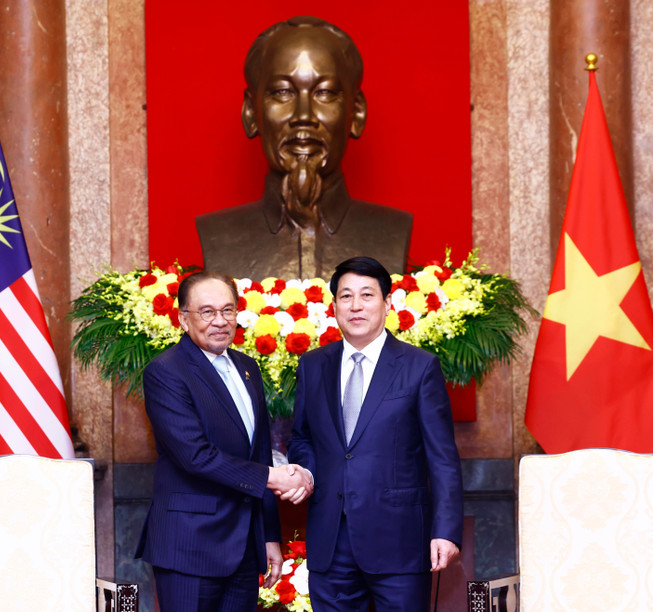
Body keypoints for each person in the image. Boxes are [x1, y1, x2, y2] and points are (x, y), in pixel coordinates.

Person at [288, 256, 463, 611]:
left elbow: (442, 457)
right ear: (334, 306)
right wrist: (305, 471)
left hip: (399, 539)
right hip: (330, 539)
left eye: (367, 295)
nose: (355, 305)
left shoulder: (419, 366)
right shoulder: (313, 365)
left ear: (387, 303)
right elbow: (302, 437)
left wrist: (445, 529)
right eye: (345, 296)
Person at [136, 271, 313, 611]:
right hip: (190, 548)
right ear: (183, 319)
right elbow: (195, 455)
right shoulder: (166, 371)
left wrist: (270, 536)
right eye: (207, 312)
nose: (220, 321)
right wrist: (273, 477)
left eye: (228, 310)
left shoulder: (248, 367)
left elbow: (260, 452)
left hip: (244, 549)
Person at [196, 16, 412, 280]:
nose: (303, 115)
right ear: (251, 112)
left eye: (325, 93)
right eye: (282, 92)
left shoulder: (393, 230)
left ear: (356, 113)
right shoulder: (217, 234)